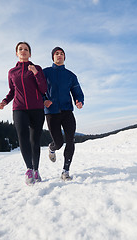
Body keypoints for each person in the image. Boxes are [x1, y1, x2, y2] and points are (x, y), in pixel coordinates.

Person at [0, 42, 47, 185]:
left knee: (35, 141)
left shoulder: (37, 68)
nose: (23, 51)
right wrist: (5, 101)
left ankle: (36, 170)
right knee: (22, 138)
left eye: (26, 49)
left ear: (30, 54)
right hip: (19, 108)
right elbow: (12, 91)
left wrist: (36, 73)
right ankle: (29, 169)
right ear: (16, 53)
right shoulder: (12, 72)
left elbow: (43, 89)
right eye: (20, 49)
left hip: (37, 109)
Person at [43, 47, 84, 181]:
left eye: (62, 54)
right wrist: (44, 100)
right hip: (51, 112)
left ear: (64, 57)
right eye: (56, 53)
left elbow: (77, 91)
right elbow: (38, 89)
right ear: (53, 57)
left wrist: (79, 100)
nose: (59, 55)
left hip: (67, 111)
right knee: (59, 143)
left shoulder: (71, 75)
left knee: (70, 140)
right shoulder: (45, 73)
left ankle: (65, 171)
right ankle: (52, 147)